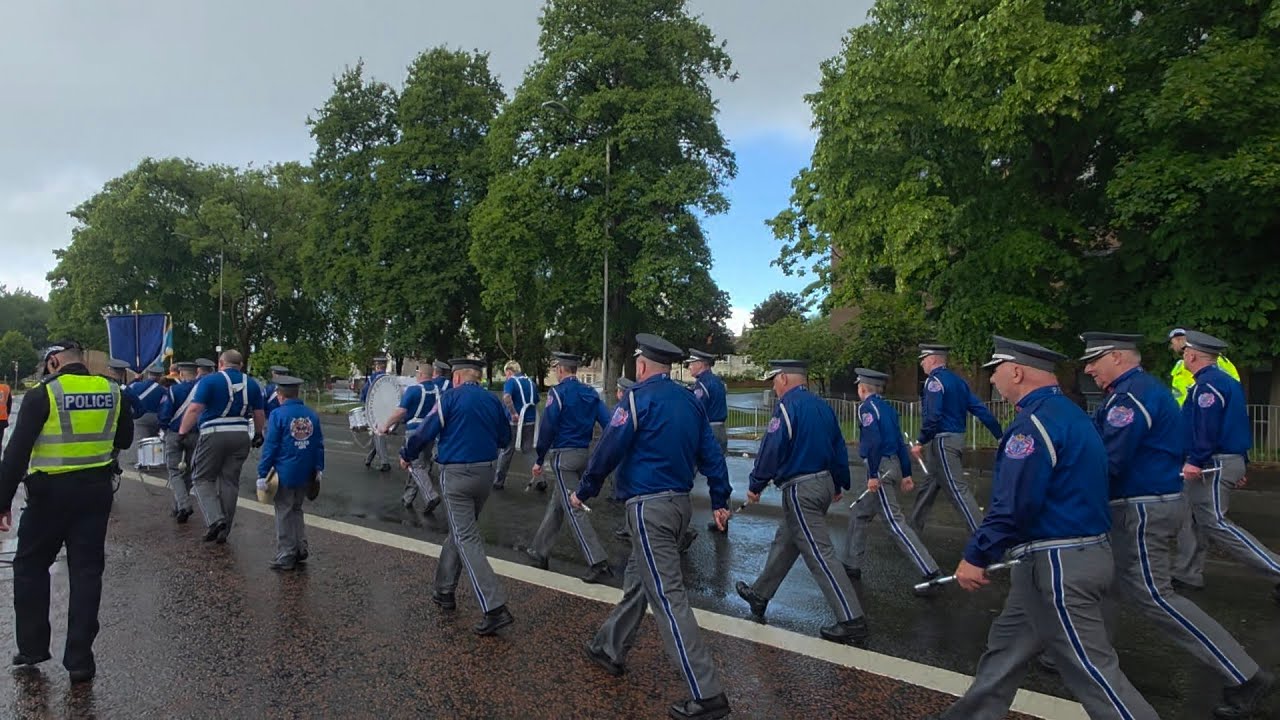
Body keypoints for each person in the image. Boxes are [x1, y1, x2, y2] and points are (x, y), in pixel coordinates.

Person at [930, 337, 1157, 720]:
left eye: (995, 371)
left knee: (1092, 671)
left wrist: (976, 555)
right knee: (1006, 648)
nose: (992, 380)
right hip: (1056, 560)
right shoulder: (1070, 415)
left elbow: (1015, 503)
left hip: (1058, 563)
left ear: (1015, 371)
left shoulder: (1032, 426)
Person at [1079, 332, 1273, 718]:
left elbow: (1110, 460)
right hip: (1145, 500)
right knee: (1107, 584)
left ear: (1117, 358)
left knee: (1154, 594)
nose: (1087, 368)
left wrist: (1071, 497)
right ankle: (1080, 654)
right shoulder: (1136, 391)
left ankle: (1246, 675)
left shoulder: (1130, 398)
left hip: (1142, 505)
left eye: (1094, 359)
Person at [576, 333, 732, 720]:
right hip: (679, 506)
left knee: (667, 597)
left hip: (649, 508)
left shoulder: (636, 398)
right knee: (639, 581)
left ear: (642, 366)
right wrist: (720, 499)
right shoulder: (691, 402)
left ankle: (706, 692)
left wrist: (586, 489)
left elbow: (609, 447)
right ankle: (608, 647)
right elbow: (711, 455)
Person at [0, 340, 133, 684]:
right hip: (96, 493)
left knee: (30, 565)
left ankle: (32, 647)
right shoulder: (113, 391)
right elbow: (126, 438)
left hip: (49, 496)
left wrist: (2, 503)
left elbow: (15, 455)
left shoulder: (44, 394)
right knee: (87, 573)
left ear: (55, 361)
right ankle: (80, 659)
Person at [735, 359, 868, 644]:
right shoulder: (822, 407)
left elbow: (772, 448)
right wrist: (839, 482)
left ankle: (852, 619)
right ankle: (760, 595)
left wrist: (756, 483)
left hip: (800, 487)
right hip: (822, 482)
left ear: (784, 378)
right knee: (787, 540)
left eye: (774, 379)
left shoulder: (786, 407)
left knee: (820, 554)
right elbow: (837, 447)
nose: (773, 385)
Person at [400, 358, 513, 636]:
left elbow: (426, 431)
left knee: (466, 537)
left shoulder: (449, 399)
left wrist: (407, 454)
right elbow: (505, 438)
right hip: (485, 473)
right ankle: (444, 590)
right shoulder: (493, 401)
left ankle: (494, 606)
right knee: (461, 530)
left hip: (456, 475)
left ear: (458, 378)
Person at [1173, 331, 1280, 603]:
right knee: (1195, 519)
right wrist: (1241, 463)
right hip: (1223, 459)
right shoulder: (1224, 382)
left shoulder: (1207, 386)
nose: (1183, 356)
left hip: (1213, 461)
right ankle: (1187, 573)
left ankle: (1276, 569)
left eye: (1185, 352)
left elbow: (1206, 429)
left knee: (1214, 522)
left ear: (1193, 355)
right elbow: (1235, 424)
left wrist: (1196, 460)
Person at [842, 368, 941, 593]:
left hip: (881, 469)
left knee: (895, 523)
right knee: (860, 513)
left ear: (862, 388)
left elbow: (874, 443)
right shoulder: (888, 408)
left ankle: (930, 572)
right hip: (892, 464)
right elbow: (899, 441)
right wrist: (906, 473)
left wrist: (873, 475)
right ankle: (851, 564)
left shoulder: (867, 408)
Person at [527, 352, 613, 582]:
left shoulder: (558, 393)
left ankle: (597, 560)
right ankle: (539, 549)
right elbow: (608, 423)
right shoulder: (590, 393)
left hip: (563, 456)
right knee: (558, 504)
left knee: (574, 509)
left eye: (556, 368)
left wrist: (539, 459)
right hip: (584, 454)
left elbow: (547, 428)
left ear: (561, 370)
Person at [909, 343, 1003, 536]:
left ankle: (984, 538)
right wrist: (999, 434)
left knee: (957, 490)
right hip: (956, 439)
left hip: (943, 441)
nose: (922, 364)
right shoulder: (959, 382)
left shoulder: (934, 382)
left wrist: (920, 441)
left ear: (933, 359)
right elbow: (980, 409)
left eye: (924, 360)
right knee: (929, 486)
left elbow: (933, 416)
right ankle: (912, 530)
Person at [177, 349, 265, 544]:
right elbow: (259, 413)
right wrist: (259, 434)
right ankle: (224, 531)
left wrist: (182, 432)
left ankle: (215, 519)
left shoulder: (210, 381)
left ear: (220, 363)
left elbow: (194, 409)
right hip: (241, 434)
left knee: (201, 478)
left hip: (213, 433)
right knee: (229, 482)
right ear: (241, 365)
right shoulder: (252, 384)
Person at [256, 376, 324, 572]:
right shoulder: (311, 414)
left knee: (284, 511)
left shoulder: (278, 414)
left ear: (280, 395)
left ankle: (286, 553)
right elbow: (318, 444)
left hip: (285, 471)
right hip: (306, 470)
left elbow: (271, 446)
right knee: (296, 509)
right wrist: (319, 468)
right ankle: (300, 547)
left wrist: (262, 473)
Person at [381, 363, 442, 514]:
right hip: (431, 432)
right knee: (423, 465)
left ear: (421, 374)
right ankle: (408, 497)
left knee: (414, 465)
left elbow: (400, 412)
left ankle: (431, 496)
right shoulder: (438, 391)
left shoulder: (413, 390)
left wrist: (386, 425)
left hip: (414, 432)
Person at [686, 348, 730, 536]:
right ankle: (722, 517)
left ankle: (680, 526)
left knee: (685, 474)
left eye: (691, 363)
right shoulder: (717, 381)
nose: (689, 367)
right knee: (718, 474)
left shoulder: (702, 384)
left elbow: (696, 409)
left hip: (707, 430)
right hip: (720, 429)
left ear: (700, 364)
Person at [157, 361, 199, 523]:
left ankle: (183, 505)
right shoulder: (202, 391)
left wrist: (163, 427)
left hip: (175, 433)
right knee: (188, 471)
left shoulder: (174, 390)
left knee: (174, 471)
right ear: (196, 373)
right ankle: (178, 506)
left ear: (181, 373)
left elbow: (165, 412)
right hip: (195, 433)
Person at [494, 360, 538, 490]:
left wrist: (513, 413)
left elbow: (507, 397)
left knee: (507, 450)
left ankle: (498, 481)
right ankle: (540, 479)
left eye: (505, 373)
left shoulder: (511, 381)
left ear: (509, 371)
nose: (505, 376)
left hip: (515, 422)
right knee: (528, 450)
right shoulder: (531, 382)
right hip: (530, 420)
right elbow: (535, 400)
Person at [1168, 328, 1239, 407]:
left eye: (1173, 343)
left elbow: (1229, 388)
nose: (1172, 347)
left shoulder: (1215, 361)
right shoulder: (1180, 367)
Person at [127, 362, 166, 467]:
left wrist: (136, 378)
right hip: (155, 417)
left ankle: (139, 461)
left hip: (140, 416)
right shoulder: (163, 390)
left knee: (140, 440)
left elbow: (126, 389)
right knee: (154, 440)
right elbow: (164, 405)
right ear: (160, 376)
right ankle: (154, 460)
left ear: (148, 374)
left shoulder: (136, 385)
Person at [361, 357, 391, 471]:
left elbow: (364, 394)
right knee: (376, 435)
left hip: (374, 411)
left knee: (379, 435)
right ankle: (368, 459)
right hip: (386, 411)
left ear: (376, 366)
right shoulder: (389, 379)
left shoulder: (371, 379)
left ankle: (385, 462)